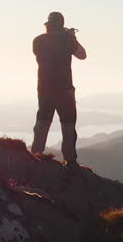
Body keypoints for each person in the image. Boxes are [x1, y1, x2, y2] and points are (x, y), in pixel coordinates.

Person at [31, 11, 86, 163]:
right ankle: (70, 161)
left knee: (42, 122)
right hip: (65, 90)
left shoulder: (38, 41)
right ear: (61, 24)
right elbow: (82, 55)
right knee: (68, 125)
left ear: (48, 24)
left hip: (44, 90)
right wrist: (72, 36)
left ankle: (35, 155)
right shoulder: (67, 40)